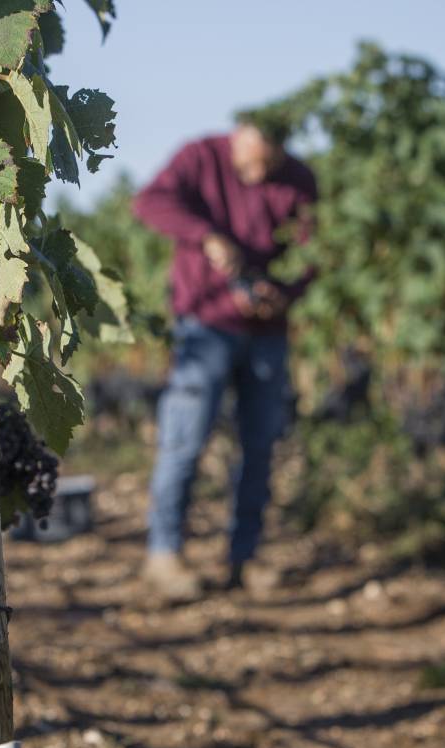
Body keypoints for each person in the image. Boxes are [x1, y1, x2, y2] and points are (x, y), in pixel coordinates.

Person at [133, 117, 317, 600]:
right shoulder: (200, 157)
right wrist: (206, 235)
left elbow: (313, 252)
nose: (258, 174)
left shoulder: (299, 179)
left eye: (269, 164)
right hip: (205, 326)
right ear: (238, 137)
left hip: (267, 334)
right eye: (250, 163)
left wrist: (284, 293)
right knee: (184, 439)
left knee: (260, 444)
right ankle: (164, 554)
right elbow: (149, 202)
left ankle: (245, 557)